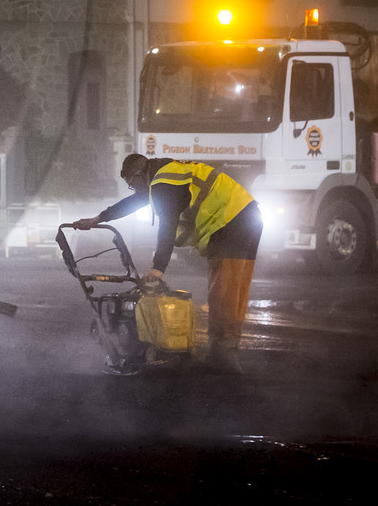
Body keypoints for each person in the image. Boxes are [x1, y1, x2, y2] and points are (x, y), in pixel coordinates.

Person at [72, 153, 262, 373]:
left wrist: (158, 267)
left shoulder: (164, 182)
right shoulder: (167, 176)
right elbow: (134, 202)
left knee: (224, 291)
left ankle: (224, 357)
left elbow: (167, 225)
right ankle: (225, 351)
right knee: (234, 292)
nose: (134, 190)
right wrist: (97, 219)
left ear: (139, 175)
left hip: (230, 222)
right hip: (246, 217)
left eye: (131, 184)